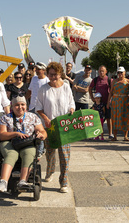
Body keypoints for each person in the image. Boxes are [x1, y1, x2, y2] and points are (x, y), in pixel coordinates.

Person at [36, 62, 75, 193]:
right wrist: (45, 118)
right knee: (50, 152)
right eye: (50, 75)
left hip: (64, 125)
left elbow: (71, 102)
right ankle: (50, 170)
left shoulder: (66, 87)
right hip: (50, 126)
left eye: (55, 75)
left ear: (60, 74)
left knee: (64, 154)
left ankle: (63, 181)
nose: (53, 77)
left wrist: (71, 109)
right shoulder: (43, 89)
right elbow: (38, 108)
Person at [0, 96, 47, 192]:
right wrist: (16, 134)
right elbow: (2, 135)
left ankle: (23, 181)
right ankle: (3, 182)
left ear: (26, 106)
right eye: (17, 105)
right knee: (11, 154)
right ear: (12, 107)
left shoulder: (33, 117)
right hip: (9, 142)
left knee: (29, 153)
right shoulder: (5, 118)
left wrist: (41, 134)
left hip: (27, 143)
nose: (20, 107)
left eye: (22, 104)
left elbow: (43, 131)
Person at [107, 66, 129, 141]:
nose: (120, 74)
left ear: (124, 73)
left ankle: (125, 136)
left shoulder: (128, 82)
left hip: (125, 101)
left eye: (121, 72)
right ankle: (115, 136)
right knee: (115, 118)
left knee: (126, 117)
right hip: (115, 101)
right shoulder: (114, 81)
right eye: (118, 72)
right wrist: (108, 102)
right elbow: (111, 92)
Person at [89, 65, 113, 138]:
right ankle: (96, 133)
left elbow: (112, 91)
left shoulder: (109, 80)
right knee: (97, 119)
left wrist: (110, 100)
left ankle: (110, 134)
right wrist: (92, 98)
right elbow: (90, 88)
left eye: (103, 71)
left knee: (109, 118)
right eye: (100, 71)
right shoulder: (95, 80)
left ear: (106, 72)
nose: (101, 72)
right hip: (98, 103)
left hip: (107, 102)